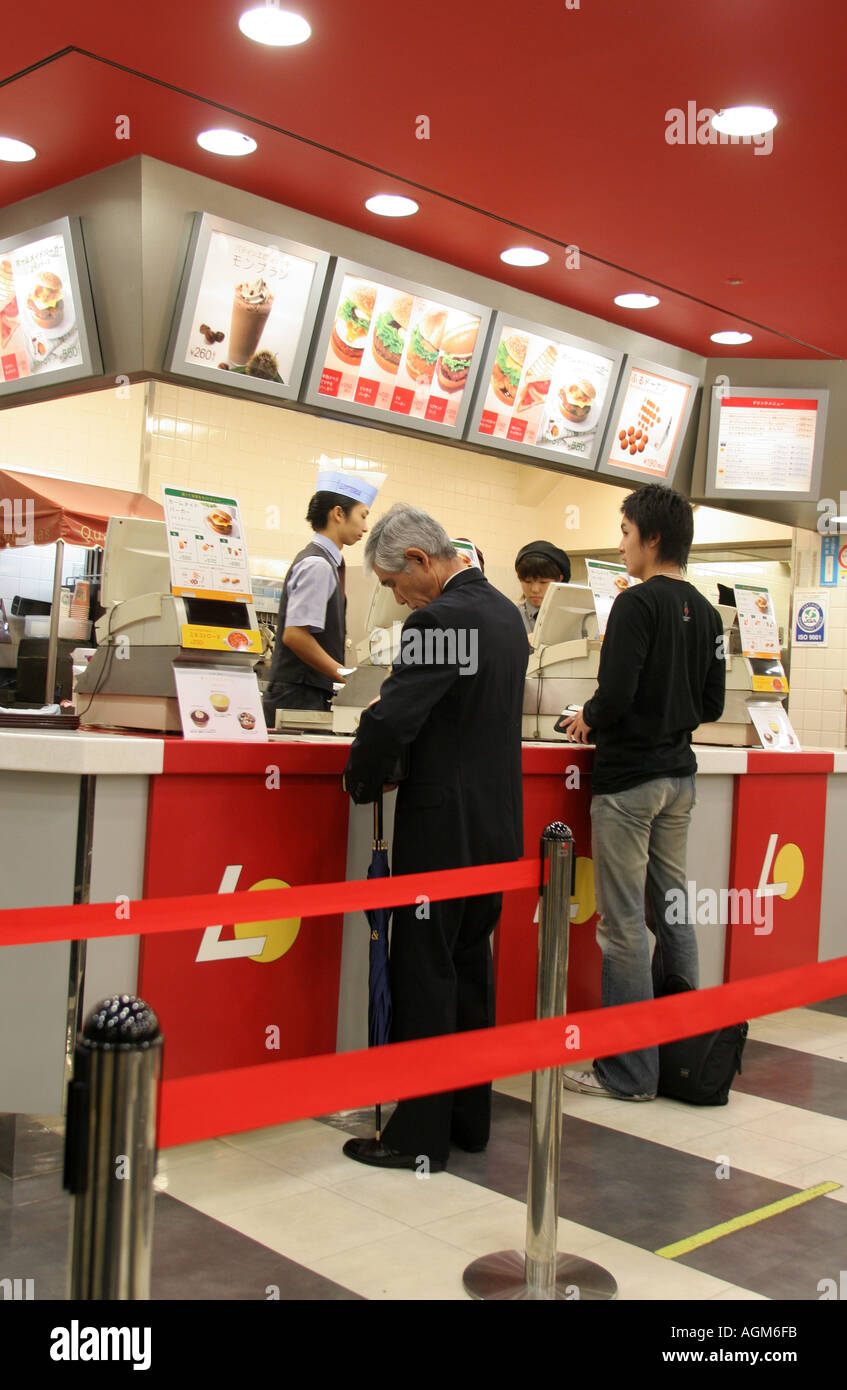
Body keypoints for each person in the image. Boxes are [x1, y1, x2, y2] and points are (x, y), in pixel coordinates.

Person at [342, 503, 528, 1171]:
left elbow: (394, 721)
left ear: (420, 562)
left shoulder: (439, 619)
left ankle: (417, 1136)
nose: (396, 598)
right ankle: (466, 1119)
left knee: (425, 973)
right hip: (496, 828)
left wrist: (360, 780)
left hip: (441, 828)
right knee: (470, 972)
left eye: (395, 584)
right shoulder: (505, 614)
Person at [558, 484, 725, 1101]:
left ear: (652, 538)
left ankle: (628, 1073)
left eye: (626, 532)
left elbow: (618, 693)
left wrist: (590, 717)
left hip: (628, 782)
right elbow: (710, 703)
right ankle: (683, 1058)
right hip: (680, 778)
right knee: (673, 911)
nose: (621, 544)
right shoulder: (706, 612)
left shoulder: (634, 605)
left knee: (624, 927)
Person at [263, 460, 384, 727]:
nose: (366, 527)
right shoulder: (317, 565)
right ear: (338, 513)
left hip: (305, 693)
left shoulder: (326, 562)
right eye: (363, 515)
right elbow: (295, 635)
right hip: (297, 696)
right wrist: (346, 675)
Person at [514, 540, 571, 636]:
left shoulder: (573, 616)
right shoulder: (512, 616)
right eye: (528, 582)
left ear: (559, 579)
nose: (535, 589)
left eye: (543, 582)